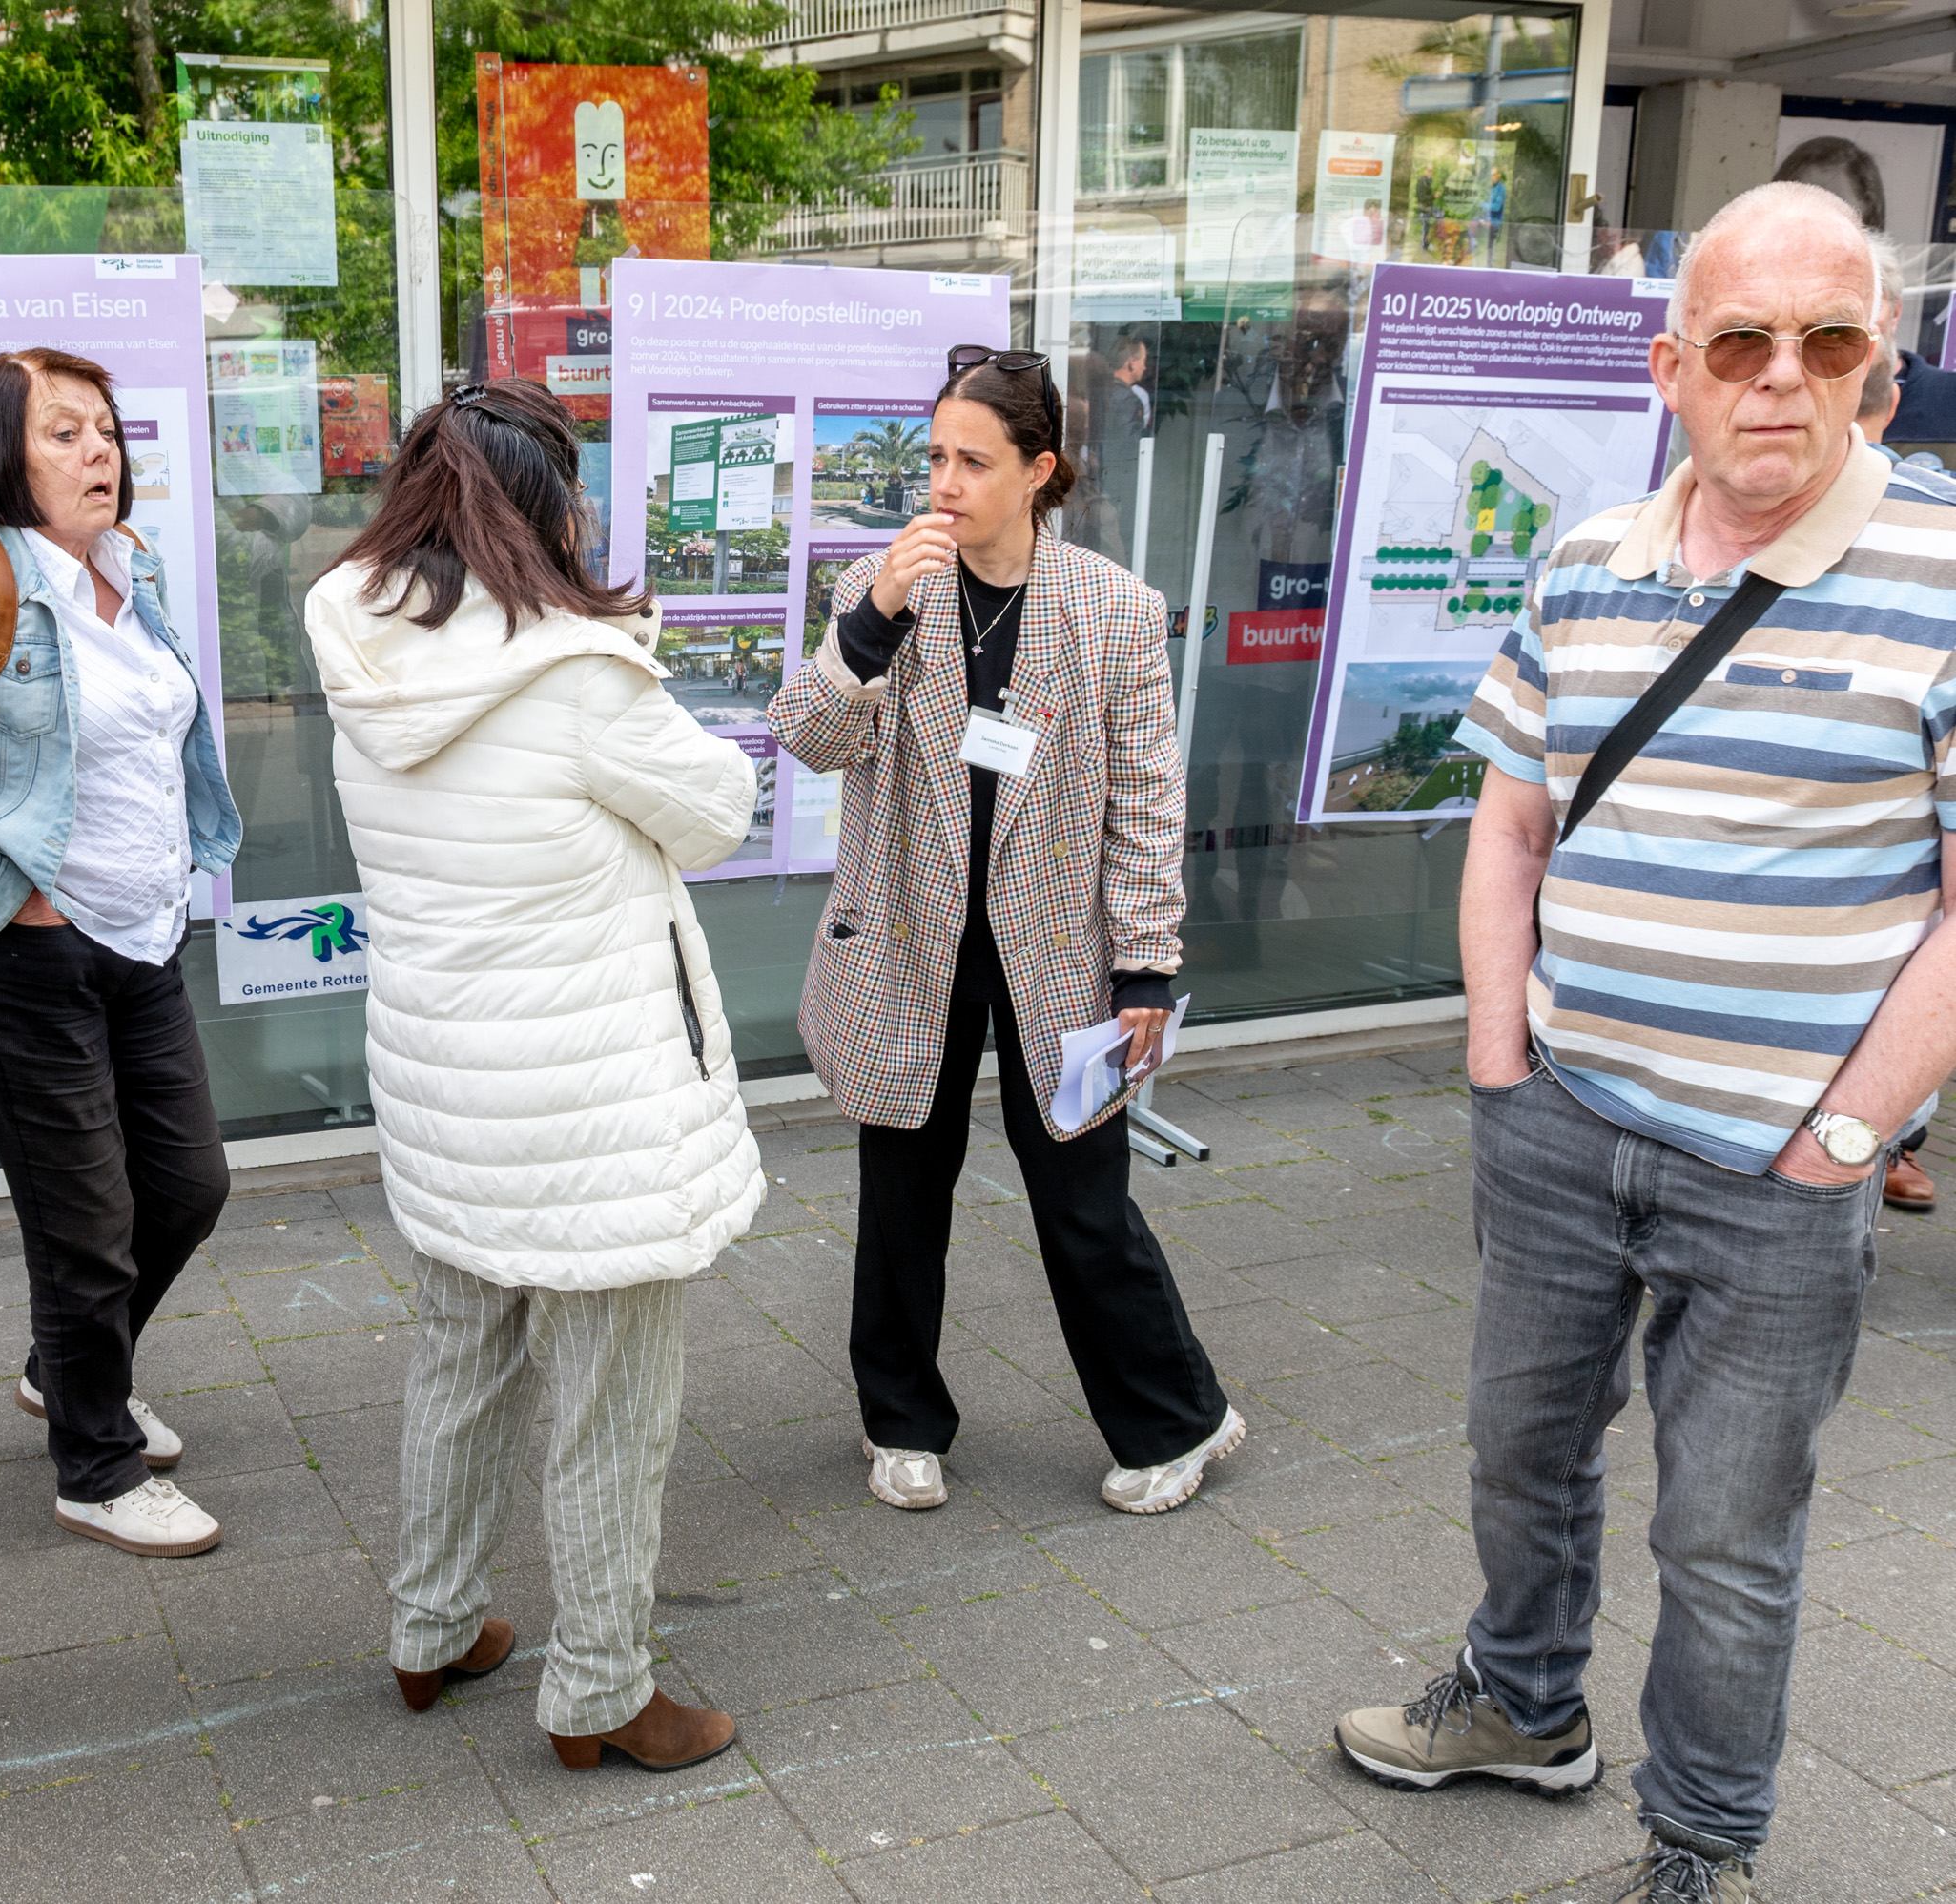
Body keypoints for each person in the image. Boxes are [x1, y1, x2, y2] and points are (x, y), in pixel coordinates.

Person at [1331, 181, 1956, 1904]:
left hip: (1773, 1167)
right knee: (1517, 1446)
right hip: (1556, 1117)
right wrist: (1491, 1055)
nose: (1782, 378)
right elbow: (1512, 825)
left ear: (1878, 376)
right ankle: (1528, 1708)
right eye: (1740, 343)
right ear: (1670, 366)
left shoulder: (1947, 572)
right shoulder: (1583, 559)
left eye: (1827, 343)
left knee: (1726, 1538)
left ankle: (1701, 1850)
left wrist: (1846, 1136)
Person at [305, 379, 762, 1773]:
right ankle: (605, 1690)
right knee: (611, 1405)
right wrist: (628, 645)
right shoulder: (574, 677)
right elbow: (720, 815)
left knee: (460, 1358)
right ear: (543, 504)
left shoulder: (358, 641)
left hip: (453, 1093)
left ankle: (432, 1626)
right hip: (592, 1104)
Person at [765, 348, 1240, 1520]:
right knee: (902, 1196)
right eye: (934, 457)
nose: (945, 483)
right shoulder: (880, 593)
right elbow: (810, 741)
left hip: (1059, 957)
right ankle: (902, 1421)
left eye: (974, 461)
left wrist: (1146, 964)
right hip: (908, 946)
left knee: (1084, 1200)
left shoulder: (1113, 610)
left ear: (1040, 471)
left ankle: (1177, 1419)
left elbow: (1147, 798)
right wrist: (874, 619)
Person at [0, 348, 240, 1560]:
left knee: (186, 1187)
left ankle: (67, 1364)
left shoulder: (129, 572)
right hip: (22, 953)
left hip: (140, 935)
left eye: (106, 431)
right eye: (65, 434)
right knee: (83, 1219)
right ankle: (97, 1464)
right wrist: (0, 891)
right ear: (4, 454)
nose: (99, 454)